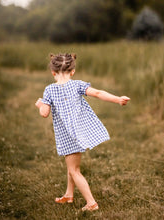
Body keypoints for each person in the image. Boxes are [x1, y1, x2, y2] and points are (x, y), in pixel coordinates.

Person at [35, 53, 130, 211]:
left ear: (53, 72)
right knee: (71, 167)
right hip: (79, 133)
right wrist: (118, 99)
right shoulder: (78, 85)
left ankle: (91, 203)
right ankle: (69, 195)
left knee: (74, 170)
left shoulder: (49, 90)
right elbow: (98, 93)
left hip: (67, 137)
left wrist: (40, 104)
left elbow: (44, 113)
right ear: (72, 71)